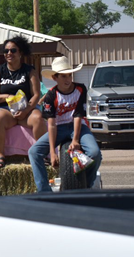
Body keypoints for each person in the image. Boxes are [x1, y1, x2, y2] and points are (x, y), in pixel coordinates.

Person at [29, 57, 102, 192]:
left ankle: (88, 183)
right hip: (59, 128)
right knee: (34, 152)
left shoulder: (80, 89)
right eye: (63, 76)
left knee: (94, 153)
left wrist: (75, 140)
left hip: (78, 126)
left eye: (69, 75)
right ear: (55, 78)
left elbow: (78, 115)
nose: (68, 79)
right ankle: (44, 191)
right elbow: (51, 124)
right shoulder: (51, 95)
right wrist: (52, 152)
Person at [0, 35, 46, 169]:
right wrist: (7, 96)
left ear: (20, 53)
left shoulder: (29, 70)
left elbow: (36, 94)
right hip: (6, 110)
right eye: (6, 51)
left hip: (27, 110)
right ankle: (1, 156)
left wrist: (26, 111)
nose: (9, 53)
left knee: (38, 117)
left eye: (13, 50)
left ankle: (41, 155)